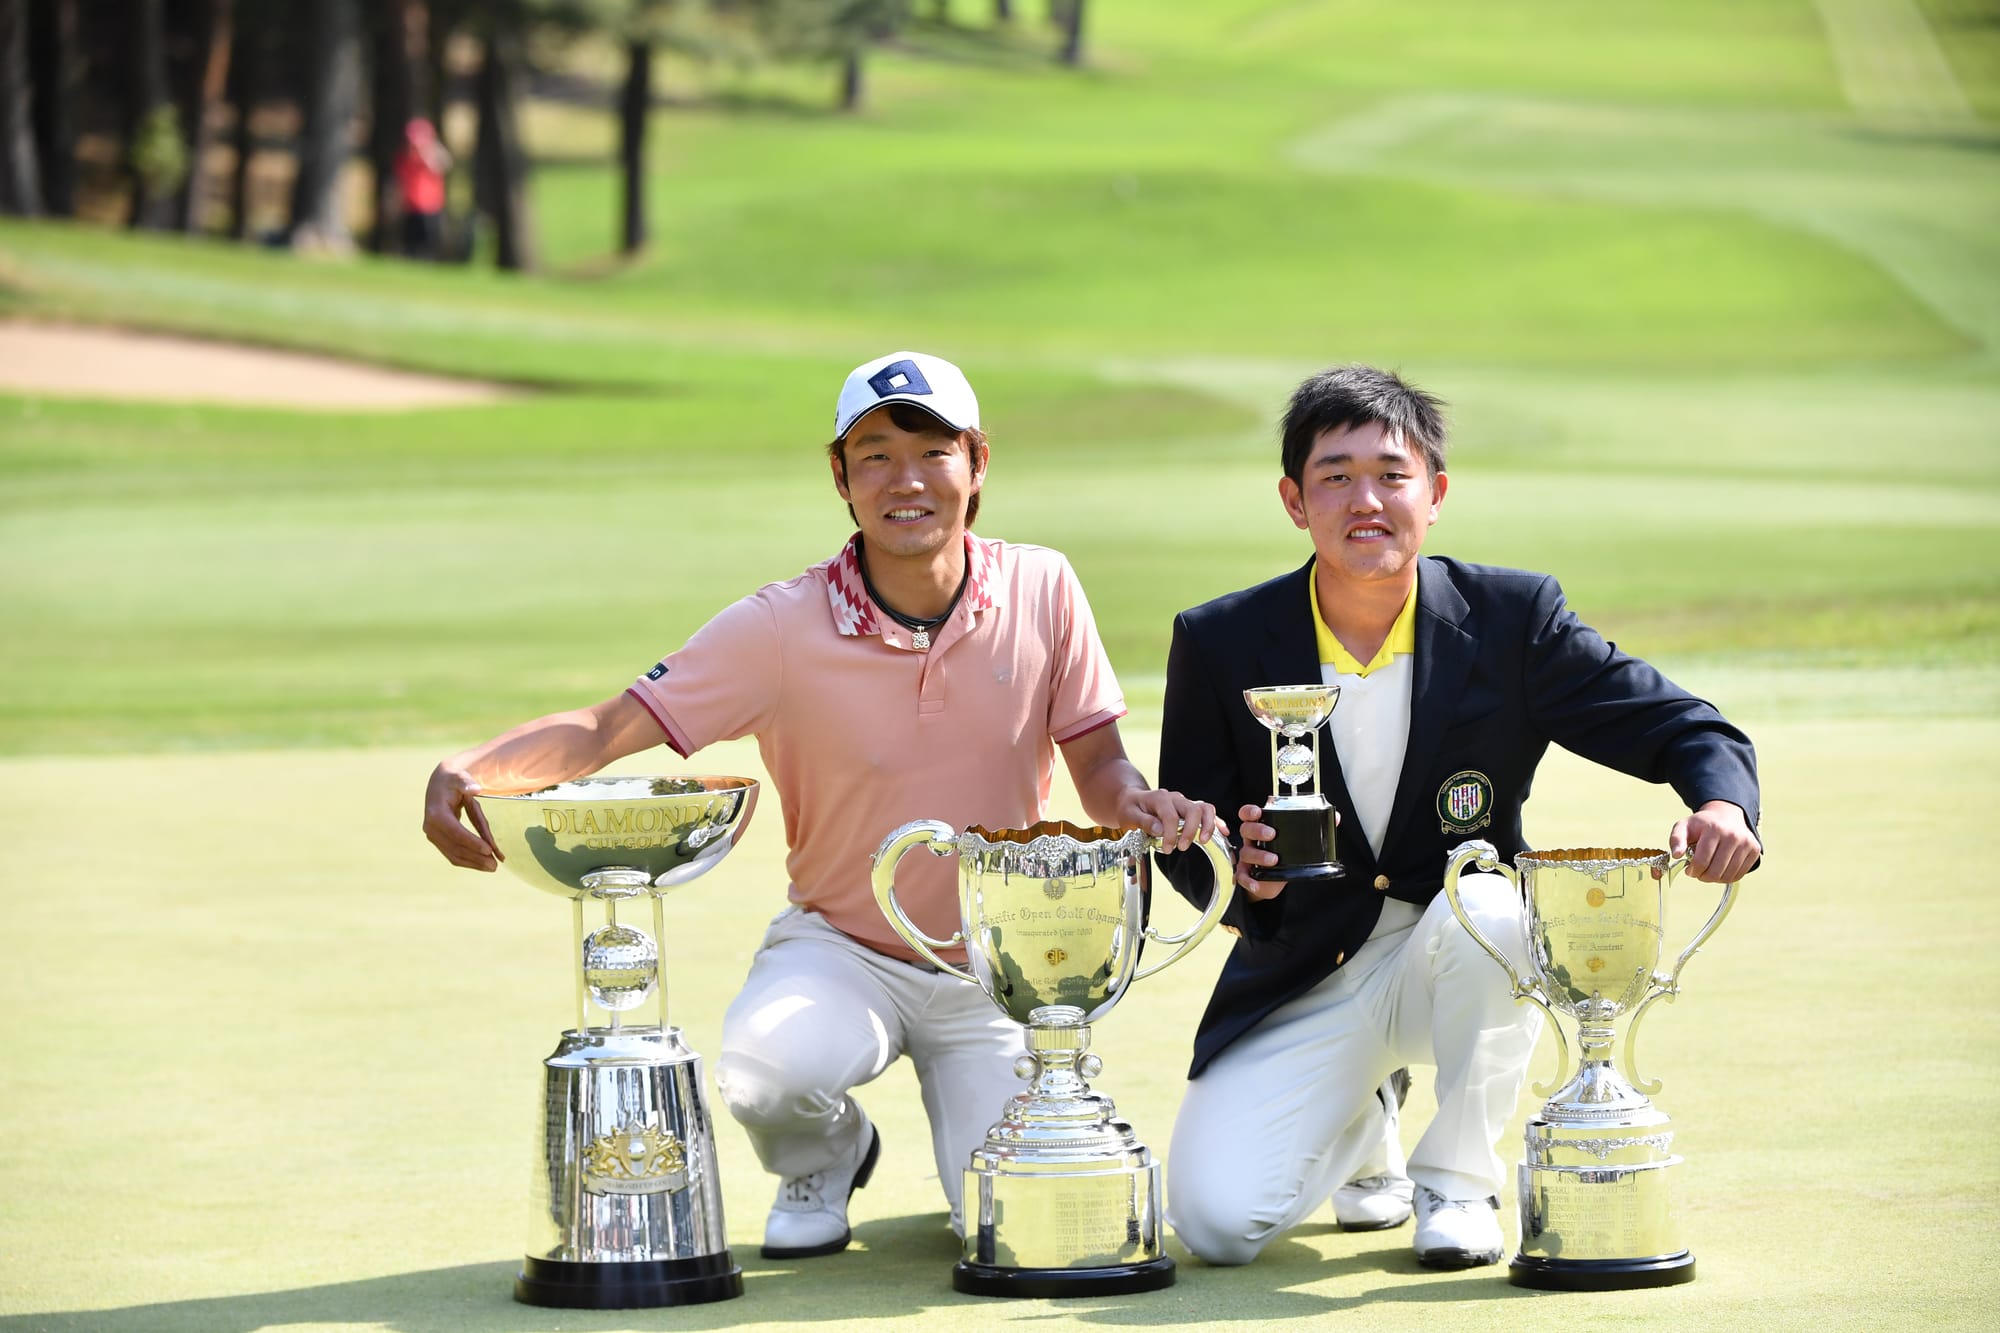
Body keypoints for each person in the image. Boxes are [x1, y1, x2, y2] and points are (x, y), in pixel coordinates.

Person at [422, 350, 1216, 1260]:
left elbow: (1099, 769)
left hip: (995, 965)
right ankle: (827, 1154)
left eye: (932, 452)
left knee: (1005, 1221)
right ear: (840, 477)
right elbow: (611, 728)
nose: (905, 479)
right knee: (770, 1073)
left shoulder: (1045, 586)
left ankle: (962, 1152)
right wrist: (474, 765)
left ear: (978, 464)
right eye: (874, 455)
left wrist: (1142, 807)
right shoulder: (778, 627)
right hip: (845, 948)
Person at [1155, 364, 1761, 1270]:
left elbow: (1677, 722)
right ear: (1293, 499)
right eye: (1335, 475)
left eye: (1392, 474)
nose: (1367, 499)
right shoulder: (1219, 638)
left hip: (1463, 947)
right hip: (1305, 966)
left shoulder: (1516, 619)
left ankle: (1458, 1183)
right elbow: (1193, 827)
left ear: (1434, 494)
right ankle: (1365, 1116)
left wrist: (1721, 798)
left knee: (1501, 907)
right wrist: (1233, 875)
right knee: (1215, 1224)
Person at [393, 118, 451, 260]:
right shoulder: (405, 158)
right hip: (410, 207)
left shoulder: (432, 156)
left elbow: (444, 164)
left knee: (427, 247)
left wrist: (429, 151)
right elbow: (399, 182)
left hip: (430, 209)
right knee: (410, 245)